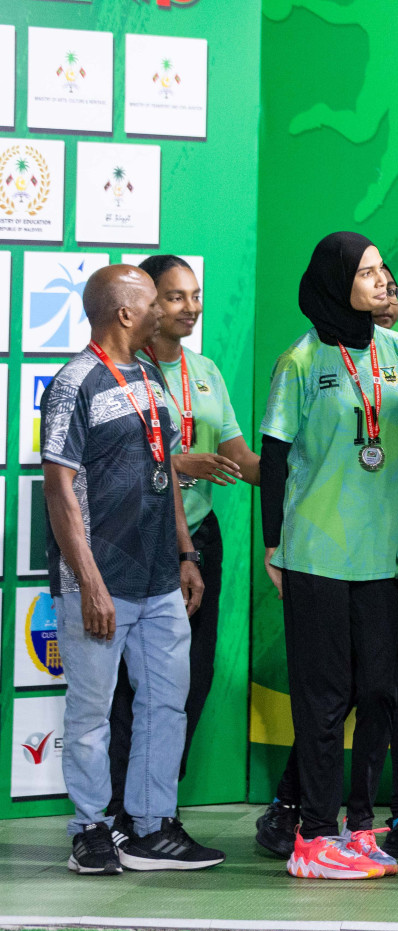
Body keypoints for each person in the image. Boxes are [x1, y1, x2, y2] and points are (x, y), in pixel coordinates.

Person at [42, 264, 220, 874]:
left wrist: (185, 551)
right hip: (99, 581)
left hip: (159, 577)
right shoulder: (74, 382)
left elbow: (164, 466)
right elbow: (60, 490)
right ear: (125, 313)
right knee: (92, 711)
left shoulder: (150, 373)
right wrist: (89, 582)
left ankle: (152, 826)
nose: (169, 311)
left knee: (167, 704)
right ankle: (91, 828)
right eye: (155, 303)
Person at [259, 231, 398, 879]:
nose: (380, 281)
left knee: (380, 692)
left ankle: (360, 825)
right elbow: (274, 457)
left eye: (383, 270)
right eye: (366, 273)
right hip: (317, 554)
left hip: (385, 555)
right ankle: (313, 837)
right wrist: (274, 544)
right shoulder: (300, 362)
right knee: (324, 697)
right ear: (335, 282)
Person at [103, 256, 260, 825]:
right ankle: (119, 811)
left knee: (191, 678)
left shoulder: (208, 371)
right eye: (174, 297)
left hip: (199, 540)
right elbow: (114, 457)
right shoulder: (118, 372)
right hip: (136, 541)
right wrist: (177, 462)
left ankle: (157, 810)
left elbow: (239, 458)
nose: (190, 306)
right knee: (128, 685)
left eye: (195, 295)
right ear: (145, 304)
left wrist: (304, 467)